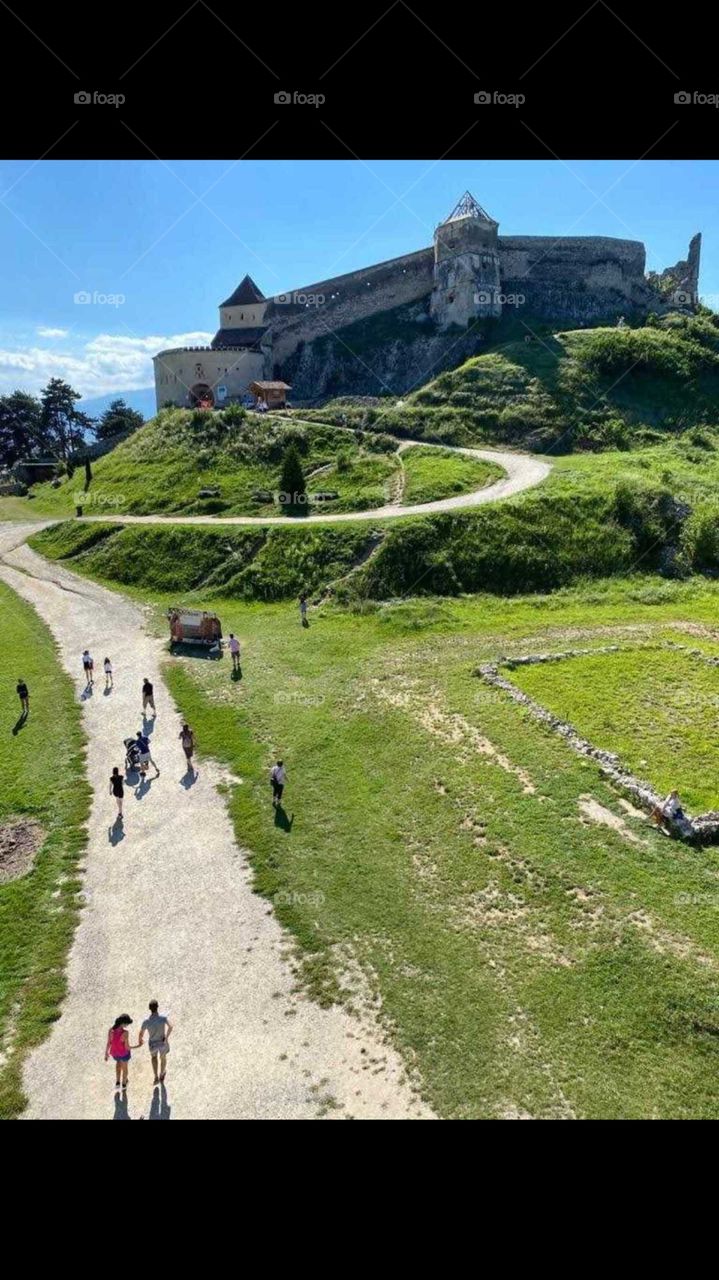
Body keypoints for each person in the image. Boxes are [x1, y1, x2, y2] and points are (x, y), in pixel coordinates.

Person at [138, 1000, 173, 1084]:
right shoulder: (163, 1018)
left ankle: (155, 1076)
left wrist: (140, 1040)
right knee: (163, 1058)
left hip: (153, 1044)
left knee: (154, 1058)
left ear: (149, 1008)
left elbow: (141, 1033)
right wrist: (166, 1037)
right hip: (162, 1042)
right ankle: (162, 1073)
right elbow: (171, 1026)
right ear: (157, 1007)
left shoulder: (146, 1021)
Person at [105, 1014, 135, 1090]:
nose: (127, 1025)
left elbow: (109, 1043)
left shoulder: (111, 1030)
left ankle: (117, 1082)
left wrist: (106, 1053)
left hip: (115, 1053)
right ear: (123, 1023)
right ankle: (124, 1084)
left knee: (118, 1064)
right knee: (125, 1068)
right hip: (124, 1053)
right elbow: (127, 1047)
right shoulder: (125, 1033)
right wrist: (138, 1046)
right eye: (127, 1023)